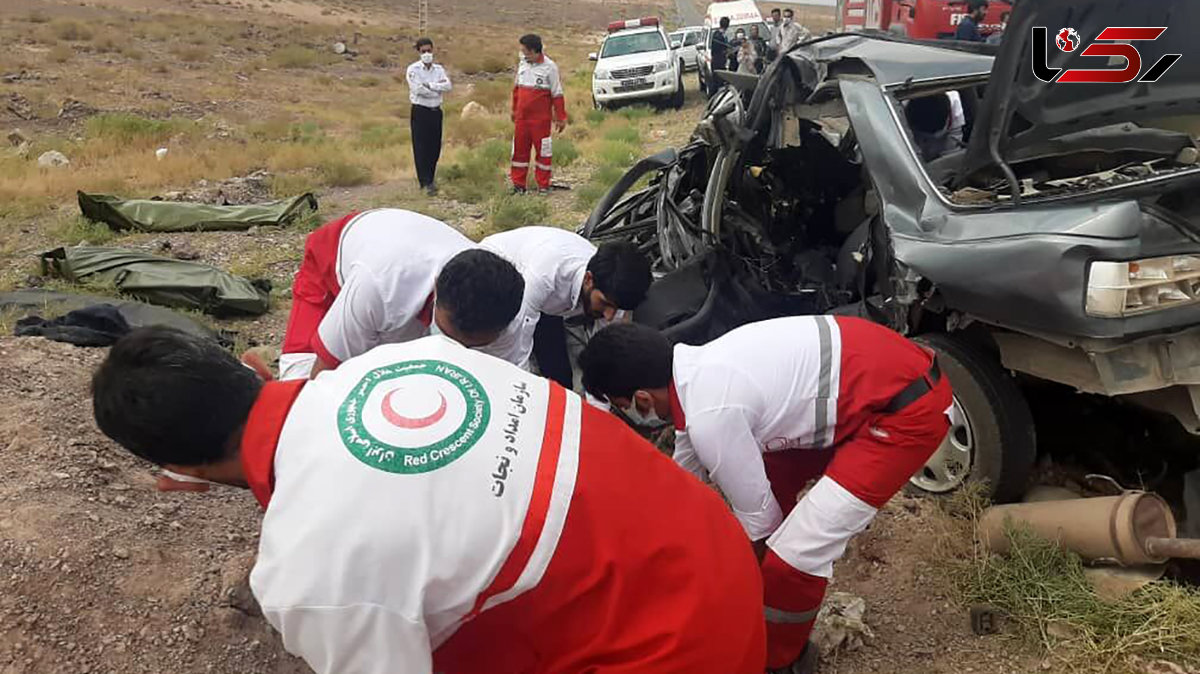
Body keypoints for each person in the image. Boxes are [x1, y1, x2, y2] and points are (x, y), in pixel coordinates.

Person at [92, 327, 768, 674]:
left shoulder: (305, 574)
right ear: (253, 366)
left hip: (681, 649)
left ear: (177, 470)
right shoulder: (400, 363)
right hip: (721, 559)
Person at [578, 316, 955, 674]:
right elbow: (680, 479)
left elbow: (760, 523)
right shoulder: (696, 369)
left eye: (623, 405)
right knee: (771, 485)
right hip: (878, 376)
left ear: (642, 398)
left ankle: (780, 657)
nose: (629, 412)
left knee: (791, 561)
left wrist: (741, 588)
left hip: (905, 410)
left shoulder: (712, 412)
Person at [278, 209, 524, 380]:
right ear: (437, 286)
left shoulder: (508, 309)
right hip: (331, 261)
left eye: (473, 346)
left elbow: (498, 385)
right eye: (450, 335)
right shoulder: (378, 284)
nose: (457, 348)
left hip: (406, 252)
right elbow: (324, 375)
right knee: (298, 384)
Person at [479, 227, 652, 387]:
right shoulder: (545, 277)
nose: (609, 315)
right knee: (498, 368)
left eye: (616, 308)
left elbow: (604, 353)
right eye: (605, 304)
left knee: (560, 381)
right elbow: (516, 353)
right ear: (588, 280)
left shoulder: (612, 290)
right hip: (492, 280)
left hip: (548, 299)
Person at [510, 34, 567, 194]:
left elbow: (557, 94)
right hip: (522, 119)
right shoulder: (523, 64)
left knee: (543, 153)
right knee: (519, 152)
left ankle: (543, 185)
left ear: (535, 51)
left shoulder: (550, 67)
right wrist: (514, 109)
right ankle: (518, 185)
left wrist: (561, 117)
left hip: (540, 121)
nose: (522, 54)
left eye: (525, 51)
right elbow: (517, 89)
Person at [406, 38, 451, 196]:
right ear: (418, 52)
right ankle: (424, 182)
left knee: (434, 147)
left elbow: (448, 86)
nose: (427, 54)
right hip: (421, 111)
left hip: (436, 111)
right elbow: (418, 89)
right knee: (421, 147)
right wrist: (437, 89)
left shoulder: (438, 69)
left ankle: (431, 178)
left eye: (429, 51)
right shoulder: (413, 69)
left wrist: (431, 85)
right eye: (423, 51)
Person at [709, 17, 732, 96]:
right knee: (717, 81)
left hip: (720, 61)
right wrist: (726, 51)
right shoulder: (718, 36)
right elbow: (718, 49)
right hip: (718, 61)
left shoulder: (721, 35)